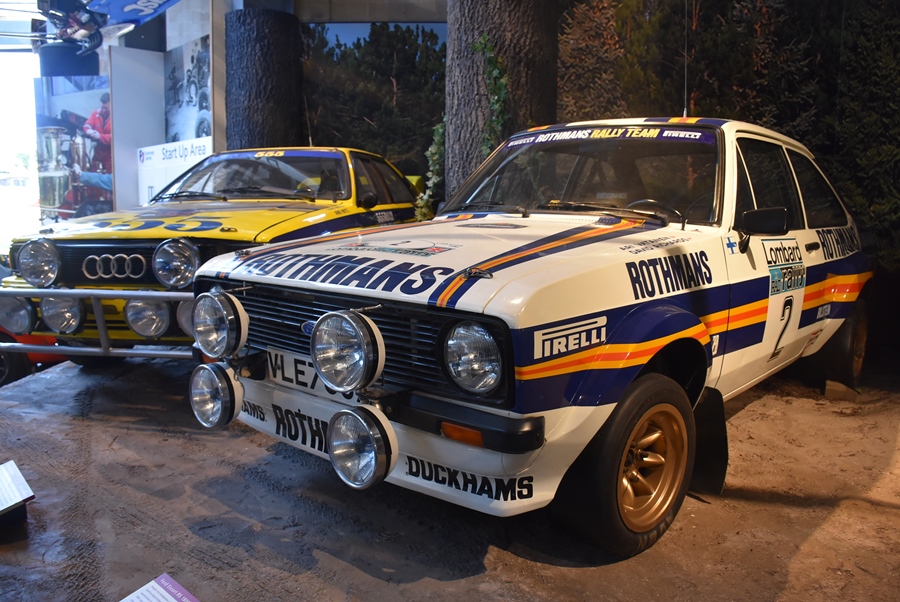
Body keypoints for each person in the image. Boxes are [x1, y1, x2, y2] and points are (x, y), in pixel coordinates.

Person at [82, 92, 111, 173]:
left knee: (109, 178)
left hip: (110, 157)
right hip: (97, 155)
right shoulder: (95, 114)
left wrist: (100, 137)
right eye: (102, 107)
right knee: (94, 177)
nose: (103, 110)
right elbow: (86, 125)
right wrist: (88, 131)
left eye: (106, 108)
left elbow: (116, 137)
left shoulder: (116, 117)